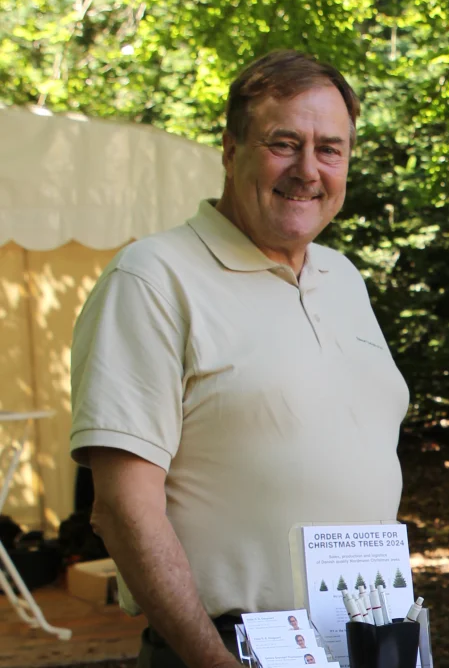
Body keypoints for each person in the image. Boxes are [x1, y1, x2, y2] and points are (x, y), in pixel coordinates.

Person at [70, 50, 408, 668]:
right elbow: (123, 507)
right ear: (229, 150)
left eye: (330, 149)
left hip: (368, 640)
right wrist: (210, 660)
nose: (309, 170)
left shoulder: (343, 277)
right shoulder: (152, 278)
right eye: (284, 143)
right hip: (232, 648)